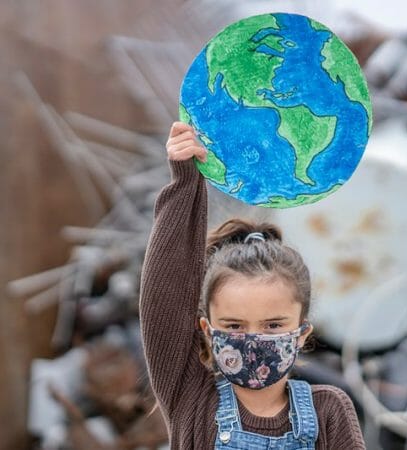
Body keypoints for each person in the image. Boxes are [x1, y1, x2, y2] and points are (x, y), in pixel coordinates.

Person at [139, 121, 366, 449]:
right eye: (234, 326)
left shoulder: (328, 411)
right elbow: (163, 300)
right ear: (207, 330)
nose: (253, 341)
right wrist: (186, 183)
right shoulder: (191, 399)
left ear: (302, 333)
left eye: (273, 325)